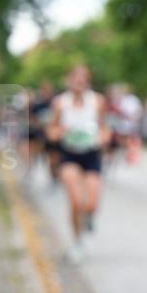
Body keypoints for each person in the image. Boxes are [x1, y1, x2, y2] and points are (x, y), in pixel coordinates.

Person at [47, 65, 109, 263]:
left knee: (91, 203)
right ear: (69, 80)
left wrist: (103, 138)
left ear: (88, 82)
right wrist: (59, 132)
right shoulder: (60, 103)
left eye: (83, 79)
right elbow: (51, 131)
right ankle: (77, 243)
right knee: (75, 202)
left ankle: (89, 216)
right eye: (75, 78)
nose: (79, 82)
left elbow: (105, 127)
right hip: (69, 155)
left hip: (91, 154)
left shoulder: (97, 101)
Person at [28, 81, 59, 183]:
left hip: (52, 135)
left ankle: (54, 175)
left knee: (54, 157)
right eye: (44, 90)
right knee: (37, 150)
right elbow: (32, 117)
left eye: (48, 90)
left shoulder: (56, 103)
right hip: (40, 133)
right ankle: (35, 166)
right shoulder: (38, 104)